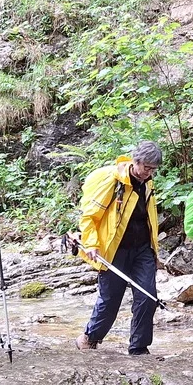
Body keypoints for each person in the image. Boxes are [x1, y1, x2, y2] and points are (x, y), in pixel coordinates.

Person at [73, 141, 163, 356]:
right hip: (114, 249)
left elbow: (149, 218)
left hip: (142, 249)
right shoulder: (113, 183)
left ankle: (139, 348)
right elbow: (90, 217)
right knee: (111, 298)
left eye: (153, 170)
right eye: (147, 168)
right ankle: (89, 338)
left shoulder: (147, 183)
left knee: (148, 296)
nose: (149, 173)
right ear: (135, 161)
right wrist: (93, 244)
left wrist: (155, 251)